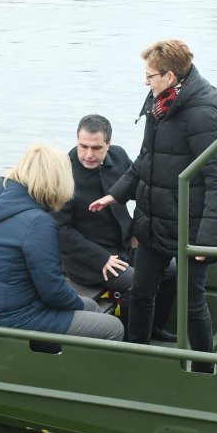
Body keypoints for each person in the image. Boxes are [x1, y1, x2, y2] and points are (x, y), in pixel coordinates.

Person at [90, 39, 217, 373]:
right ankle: (136, 358)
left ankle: (203, 371)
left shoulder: (202, 117)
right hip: (153, 222)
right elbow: (146, 160)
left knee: (192, 304)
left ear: (170, 77)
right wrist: (116, 194)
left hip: (189, 228)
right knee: (140, 292)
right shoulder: (158, 105)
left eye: (150, 75)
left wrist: (208, 240)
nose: (145, 81)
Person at [0, 145, 124, 342]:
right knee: (113, 327)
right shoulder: (38, 222)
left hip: (1, 308)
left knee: (89, 306)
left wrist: (79, 304)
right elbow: (52, 289)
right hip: (17, 316)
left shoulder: (3, 206)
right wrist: (76, 304)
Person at [54, 114, 178, 342]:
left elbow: (143, 193)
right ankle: (130, 341)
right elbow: (62, 231)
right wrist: (101, 258)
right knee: (137, 282)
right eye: (83, 146)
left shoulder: (119, 156)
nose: (88, 155)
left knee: (171, 268)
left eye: (96, 148)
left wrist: (136, 232)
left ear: (108, 145)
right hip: (90, 260)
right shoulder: (63, 172)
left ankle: (154, 327)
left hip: (123, 245)